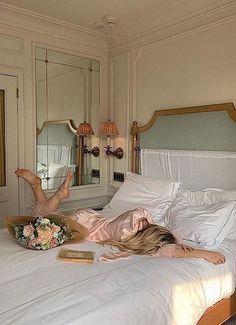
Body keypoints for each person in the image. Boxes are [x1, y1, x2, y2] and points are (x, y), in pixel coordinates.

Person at [15, 168, 226, 264]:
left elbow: (166, 241)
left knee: (43, 222)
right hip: (84, 228)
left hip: (89, 217)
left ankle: (42, 188)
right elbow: (168, 252)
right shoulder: (127, 238)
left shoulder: (141, 215)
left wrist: (172, 237)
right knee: (41, 228)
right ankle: (53, 192)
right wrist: (202, 253)